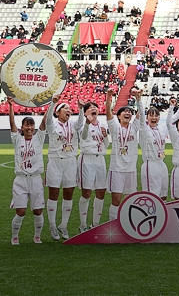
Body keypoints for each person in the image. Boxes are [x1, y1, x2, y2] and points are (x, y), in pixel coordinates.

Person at [44, 96, 84, 241]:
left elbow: (81, 122)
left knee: (68, 193)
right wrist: (53, 103)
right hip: (55, 161)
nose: (69, 110)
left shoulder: (73, 124)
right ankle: (52, 225)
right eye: (65, 108)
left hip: (70, 161)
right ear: (58, 112)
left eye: (70, 109)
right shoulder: (52, 124)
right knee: (53, 193)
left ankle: (63, 225)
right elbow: (47, 118)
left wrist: (80, 109)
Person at [8, 97, 47, 245]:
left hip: (36, 178)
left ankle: (37, 236)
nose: (29, 127)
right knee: (21, 212)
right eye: (27, 125)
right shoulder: (17, 139)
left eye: (31, 125)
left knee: (38, 211)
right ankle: (14, 237)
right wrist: (11, 106)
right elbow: (11, 123)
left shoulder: (39, 138)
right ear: (22, 127)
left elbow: (44, 122)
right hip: (21, 180)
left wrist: (51, 104)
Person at [106, 88, 141, 221]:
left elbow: (140, 113)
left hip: (131, 169)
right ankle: (113, 223)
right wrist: (109, 96)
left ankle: (128, 223)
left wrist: (138, 98)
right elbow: (108, 112)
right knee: (116, 200)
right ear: (119, 116)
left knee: (130, 200)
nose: (128, 113)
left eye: (129, 112)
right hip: (117, 169)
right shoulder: (115, 128)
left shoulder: (134, 127)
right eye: (125, 111)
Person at [78, 101, 109, 231]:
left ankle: (95, 224)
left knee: (101, 191)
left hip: (100, 159)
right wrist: (87, 123)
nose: (93, 109)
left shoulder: (102, 125)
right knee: (86, 192)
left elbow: (106, 145)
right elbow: (83, 136)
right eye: (90, 108)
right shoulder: (82, 124)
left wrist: (105, 136)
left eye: (94, 107)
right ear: (85, 113)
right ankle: (83, 225)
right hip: (87, 159)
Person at [138, 98, 168, 200]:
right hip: (150, 164)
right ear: (147, 117)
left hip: (162, 163)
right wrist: (139, 100)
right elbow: (141, 119)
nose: (154, 117)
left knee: (163, 194)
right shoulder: (144, 130)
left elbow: (171, 121)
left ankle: (163, 210)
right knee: (152, 196)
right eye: (151, 115)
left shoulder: (161, 129)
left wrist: (174, 107)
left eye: (156, 115)